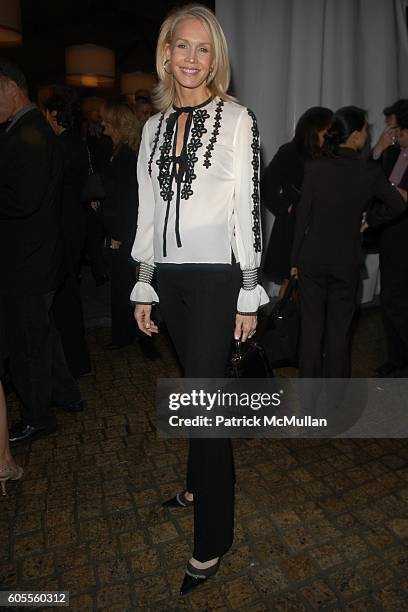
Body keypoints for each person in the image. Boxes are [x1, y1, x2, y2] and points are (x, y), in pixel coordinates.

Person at [131, 5, 268, 595]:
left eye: (203, 49)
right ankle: (195, 485)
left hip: (218, 280)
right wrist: (144, 280)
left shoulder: (237, 118)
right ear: (166, 53)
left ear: (216, 58)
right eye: (181, 47)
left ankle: (212, 538)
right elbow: (147, 207)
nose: (191, 58)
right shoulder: (152, 127)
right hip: (170, 278)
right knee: (195, 384)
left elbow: (249, 209)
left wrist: (248, 287)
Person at [0, 58, 83, 445]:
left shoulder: (29, 134)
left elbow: (25, 199)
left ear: (10, 88)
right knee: (43, 336)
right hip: (34, 257)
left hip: (28, 261)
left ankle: (38, 416)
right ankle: (66, 395)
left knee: (28, 344)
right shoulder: (27, 129)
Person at [291, 106, 406, 378]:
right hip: (345, 262)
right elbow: (398, 206)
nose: (368, 134)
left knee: (311, 332)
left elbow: (302, 218)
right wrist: (370, 221)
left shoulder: (315, 167)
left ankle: (308, 399)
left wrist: (293, 261)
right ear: (355, 135)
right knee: (339, 333)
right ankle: (335, 400)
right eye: (366, 129)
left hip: (311, 260)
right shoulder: (368, 172)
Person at [44, 88, 91, 378]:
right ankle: (76, 361)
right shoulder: (76, 142)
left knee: (66, 295)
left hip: (66, 225)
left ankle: (74, 362)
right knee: (68, 293)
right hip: (76, 223)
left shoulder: (62, 145)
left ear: (53, 114)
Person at [262, 106, 332, 298]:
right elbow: (266, 185)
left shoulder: (332, 154)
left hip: (324, 229)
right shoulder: (290, 152)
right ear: (314, 129)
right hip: (294, 229)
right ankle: (286, 324)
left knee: (320, 286)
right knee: (292, 282)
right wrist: (286, 208)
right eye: (327, 129)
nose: (332, 133)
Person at [100, 100, 141, 349]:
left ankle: (123, 338)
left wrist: (117, 233)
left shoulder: (125, 156)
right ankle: (125, 335)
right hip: (124, 229)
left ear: (117, 125)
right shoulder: (121, 152)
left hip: (124, 231)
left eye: (106, 121)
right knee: (124, 284)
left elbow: (127, 201)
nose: (102, 126)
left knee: (123, 285)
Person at [373, 101, 408, 376]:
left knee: (398, 300)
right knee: (389, 299)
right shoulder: (391, 153)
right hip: (390, 234)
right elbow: (370, 182)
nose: (391, 132)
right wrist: (379, 149)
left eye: (395, 127)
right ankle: (396, 358)